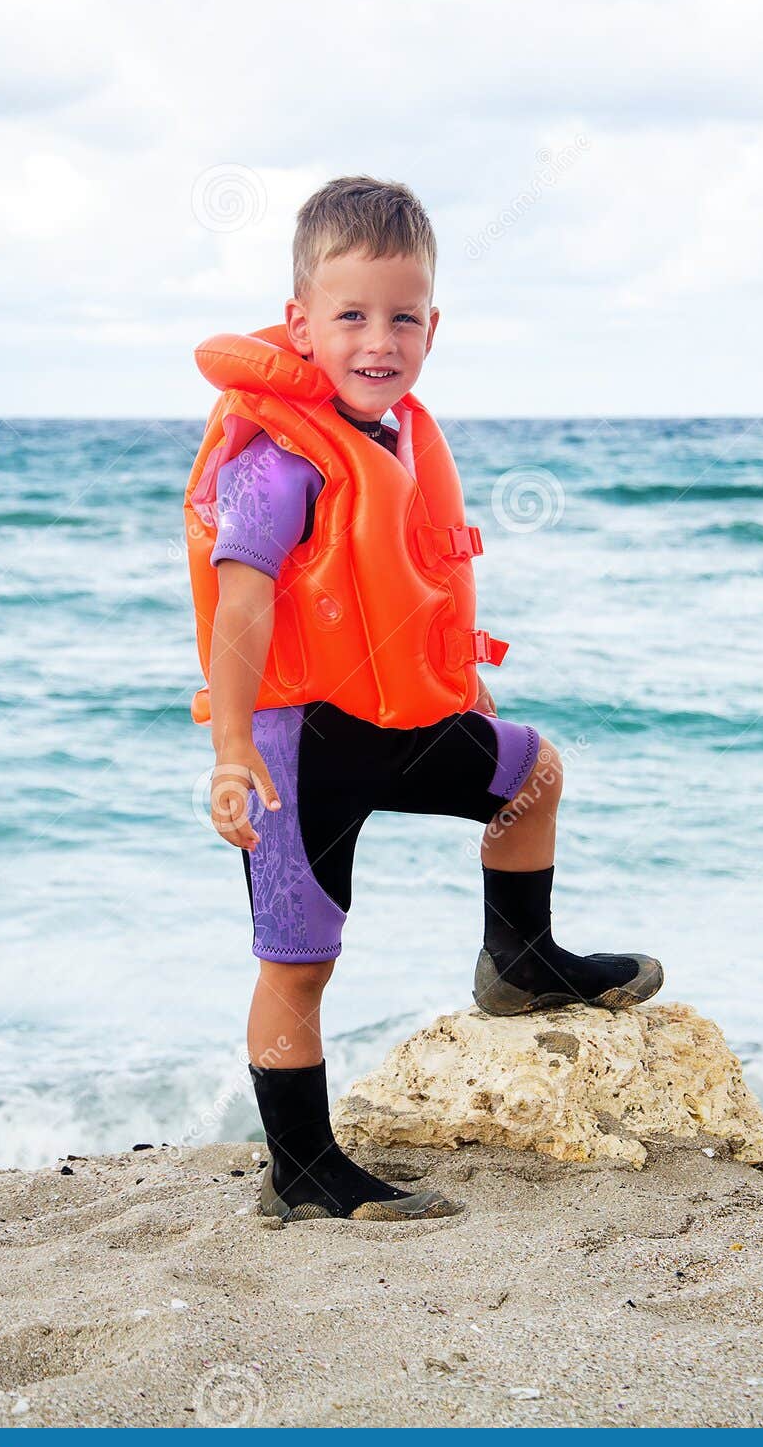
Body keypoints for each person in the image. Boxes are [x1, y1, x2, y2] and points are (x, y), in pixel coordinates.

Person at [183, 176, 663, 1225]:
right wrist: (229, 751)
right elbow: (242, 612)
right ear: (301, 320)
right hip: (296, 747)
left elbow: (413, 579)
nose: (377, 339)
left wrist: (464, 685)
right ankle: (301, 1169)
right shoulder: (278, 459)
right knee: (297, 965)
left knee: (529, 770)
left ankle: (520, 959)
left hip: (397, 722)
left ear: (432, 325)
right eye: (350, 315)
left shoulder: (398, 435)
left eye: (402, 316)